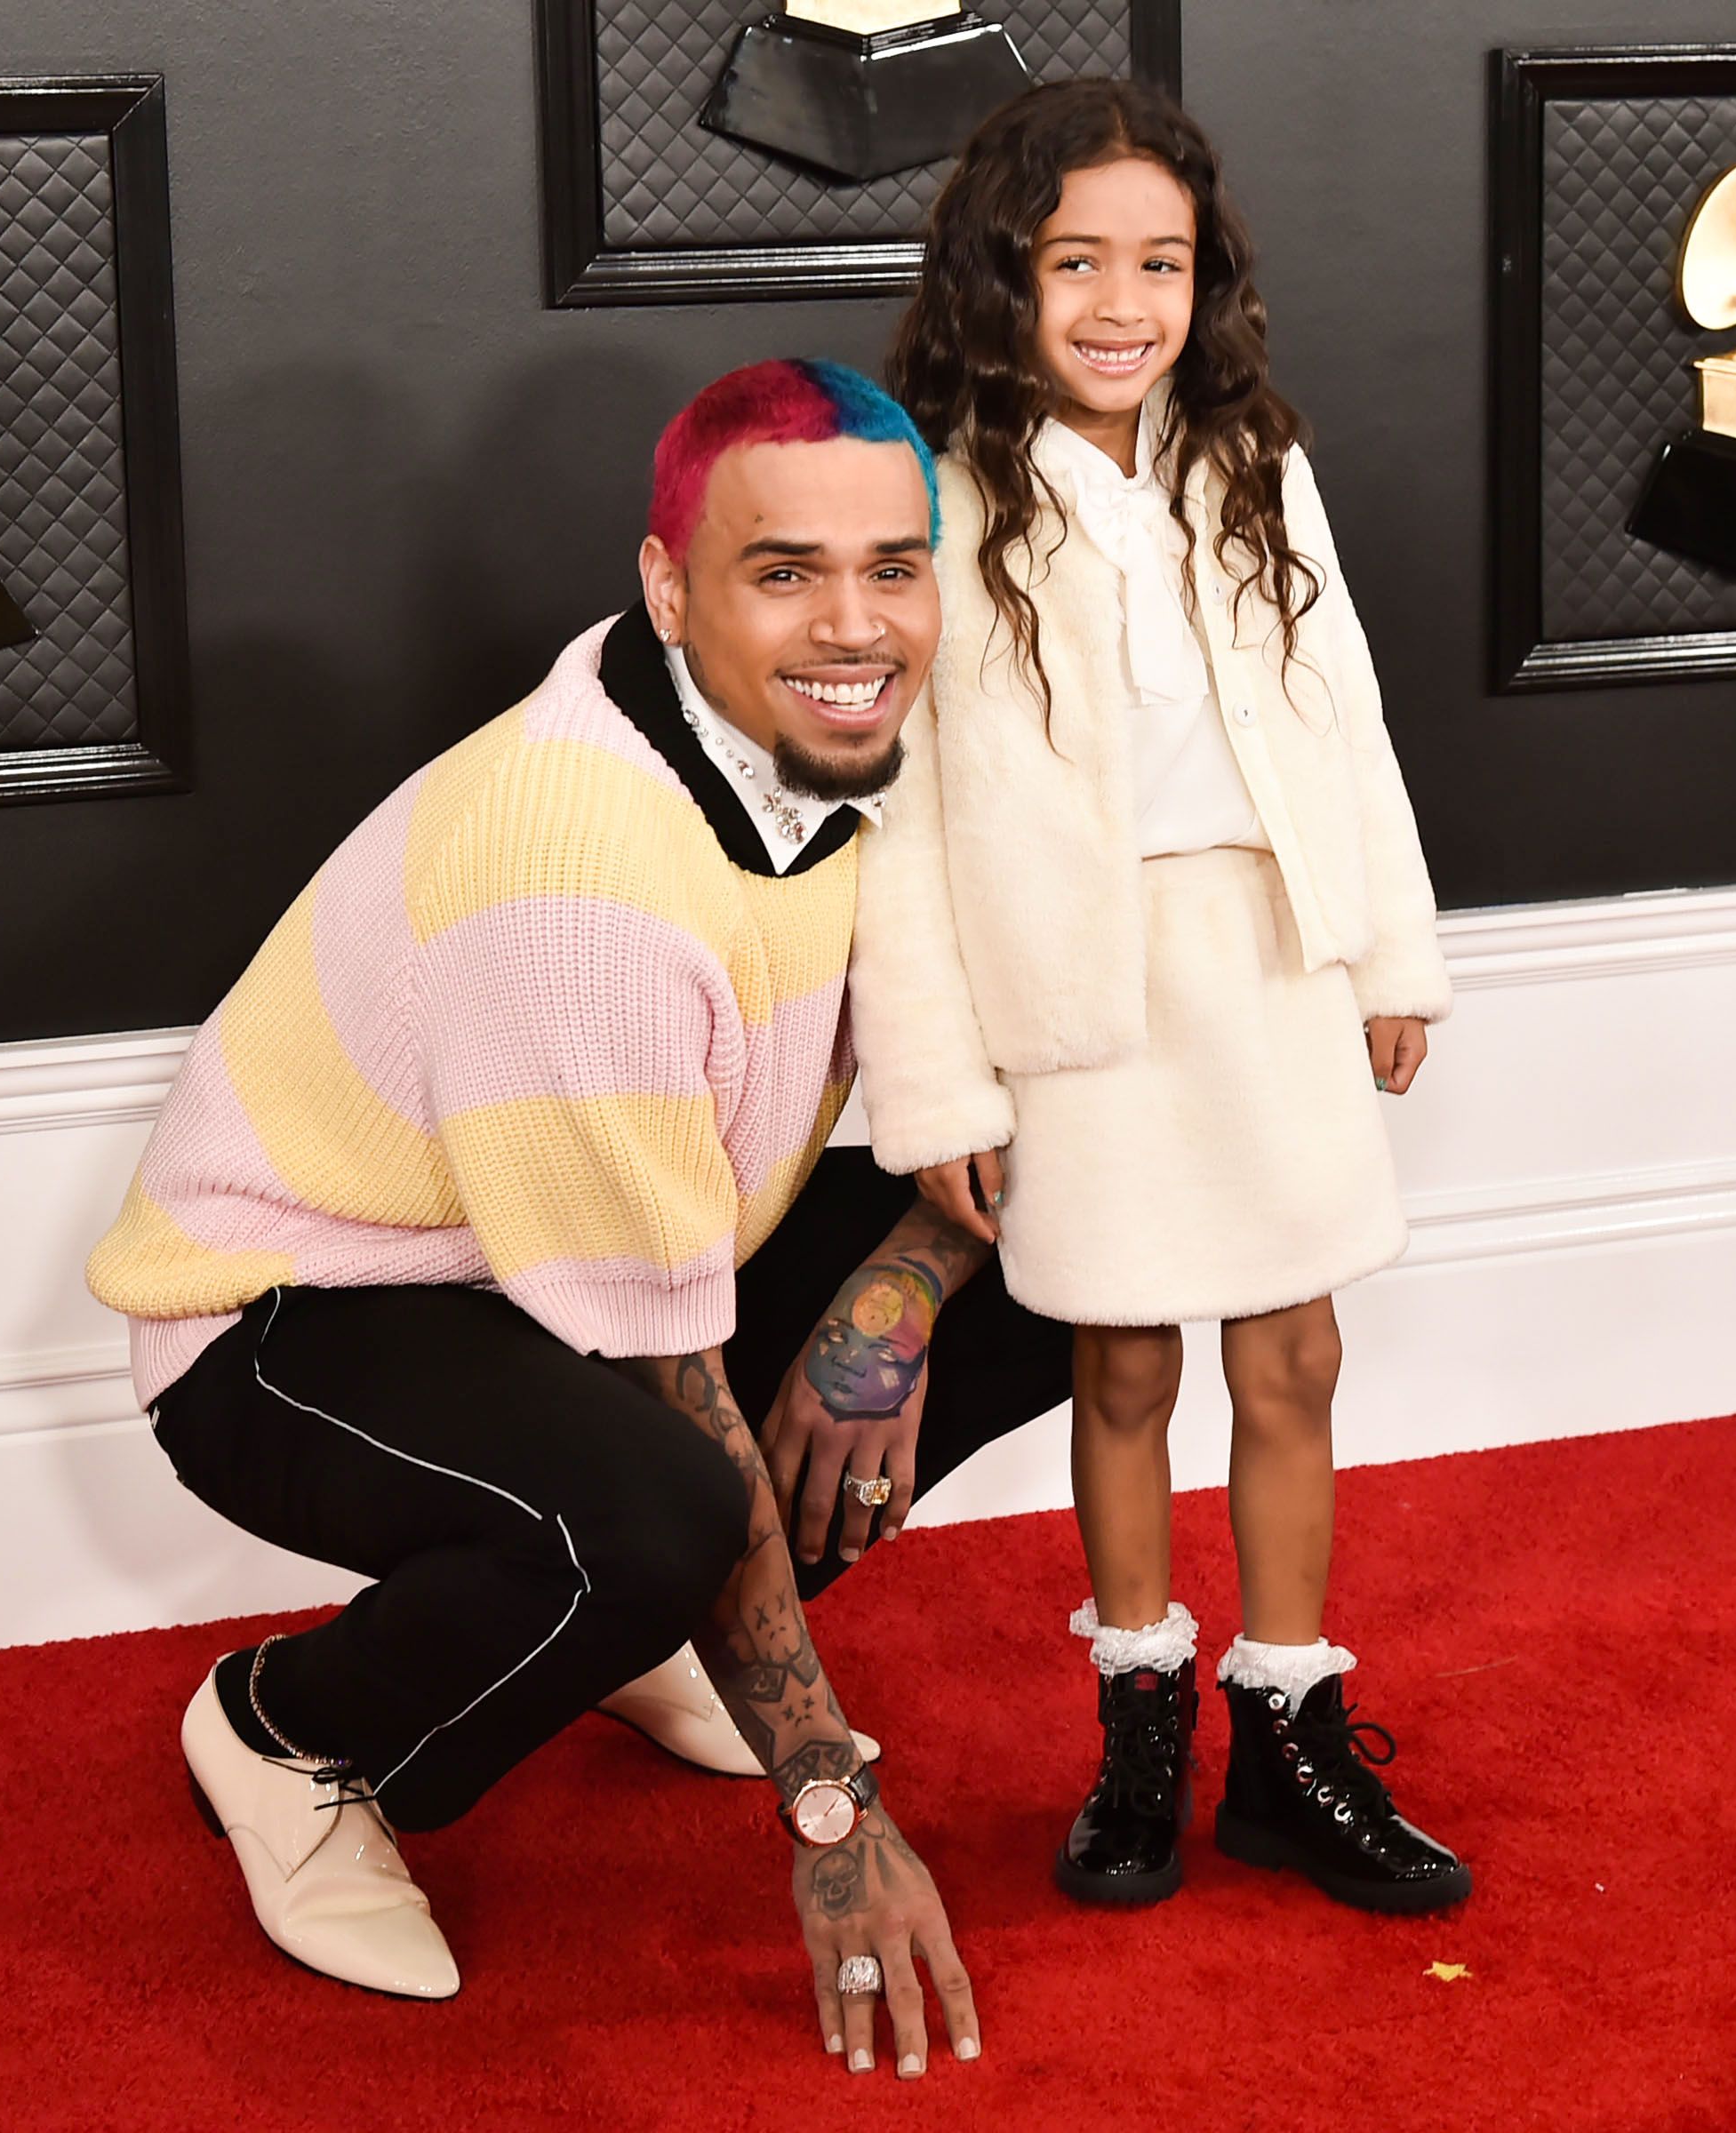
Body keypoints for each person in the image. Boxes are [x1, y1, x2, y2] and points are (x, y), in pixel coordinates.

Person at [86, 358, 1071, 2077]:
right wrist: (830, 1809)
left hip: (605, 1262)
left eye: (893, 567)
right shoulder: (577, 880)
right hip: (295, 1308)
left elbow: (1018, 1061)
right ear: (669, 588)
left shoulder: (877, 728)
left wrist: (900, 1294)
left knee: (1066, 1262)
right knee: (655, 1512)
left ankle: (636, 1627)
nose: (856, 627)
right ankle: (287, 1731)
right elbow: (662, 1381)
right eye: (784, 573)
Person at [848, 81, 1471, 1913]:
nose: (1123, 305)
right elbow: (905, 817)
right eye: (1077, 264)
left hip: (1266, 955)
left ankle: (1289, 1741)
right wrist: (939, 1086)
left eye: (1162, 264)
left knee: (1295, 1353)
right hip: (1081, 990)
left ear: (1208, 281)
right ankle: (1140, 1732)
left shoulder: (1254, 461)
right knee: (1120, 1361)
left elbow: (1346, 712)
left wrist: (1390, 948)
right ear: (1001, 275)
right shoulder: (939, 498)